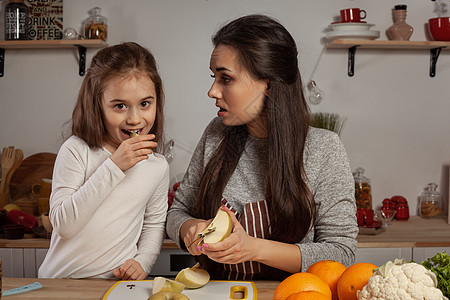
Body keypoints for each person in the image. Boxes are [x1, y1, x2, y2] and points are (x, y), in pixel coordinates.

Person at [166, 14, 358, 281]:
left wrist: (253, 249)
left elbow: (342, 253)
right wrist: (188, 228)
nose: (212, 91)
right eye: (214, 77)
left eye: (226, 79)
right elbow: (178, 212)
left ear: (267, 85)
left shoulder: (323, 150)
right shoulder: (216, 134)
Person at [39, 42, 169, 280]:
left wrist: (142, 262)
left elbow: (153, 225)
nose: (134, 118)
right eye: (120, 106)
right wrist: (113, 166)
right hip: (61, 285)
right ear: (96, 105)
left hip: (115, 285)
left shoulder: (157, 167)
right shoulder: (77, 150)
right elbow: (63, 226)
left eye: (144, 104)